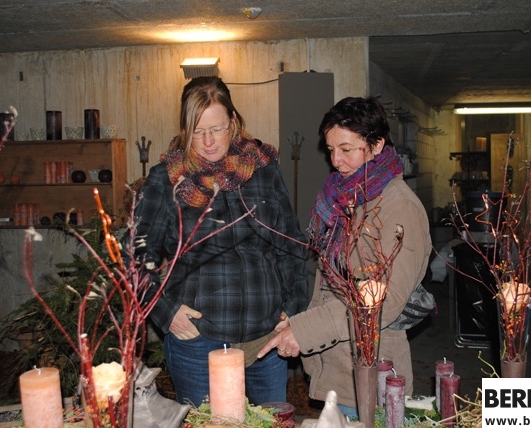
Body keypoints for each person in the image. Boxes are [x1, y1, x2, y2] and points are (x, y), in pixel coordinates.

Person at [132, 76, 309, 406]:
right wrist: (165, 311)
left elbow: (290, 243)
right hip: (198, 341)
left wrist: (294, 306)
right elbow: (137, 255)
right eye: (197, 131)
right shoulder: (165, 179)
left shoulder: (264, 171)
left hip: (266, 336)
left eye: (217, 128)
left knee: (270, 424)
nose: (208, 141)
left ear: (234, 121)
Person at [258, 96, 432, 415]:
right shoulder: (347, 199)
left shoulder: (399, 207)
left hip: (372, 376)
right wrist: (297, 321)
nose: (336, 160)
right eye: (331, 149)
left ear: (376, 145)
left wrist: (305, 330)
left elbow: (383, 303)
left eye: (346, 149)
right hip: (339, 370)